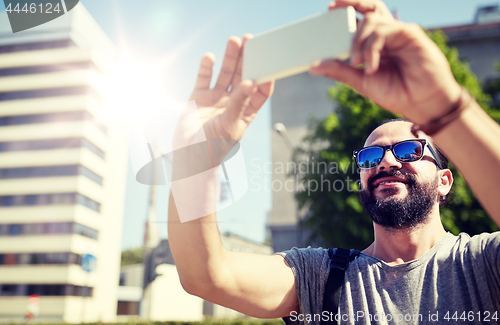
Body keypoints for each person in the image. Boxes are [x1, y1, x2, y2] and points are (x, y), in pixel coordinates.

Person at [168, 0, 500, 323]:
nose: (385, 162)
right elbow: (207, 276)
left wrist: (442, 105)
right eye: (370, 156)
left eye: (408, 150)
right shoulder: (322, 278)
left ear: (445, 180)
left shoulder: (482, 264)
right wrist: (194, 160)